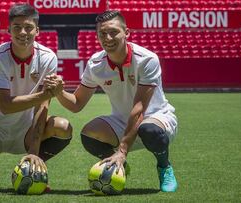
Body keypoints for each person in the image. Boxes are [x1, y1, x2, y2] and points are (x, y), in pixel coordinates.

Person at [45, 10, 178, 192]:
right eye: (102, 33)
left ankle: (164, 167)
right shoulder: (95, 64)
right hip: (122, 121)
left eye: (114, 32)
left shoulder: (147, 59)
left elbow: (139, 108)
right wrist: (59, 92)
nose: (107, 37)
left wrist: (122, 151)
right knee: (89, 134)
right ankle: (119, 166)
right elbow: (76, 104)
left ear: (127, 33)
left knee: (149, 130)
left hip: (156, 118)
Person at [0, 3, 72, 193]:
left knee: (63, 127)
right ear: (9, 29)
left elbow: (43, 106)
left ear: (37, 30)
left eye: (28, 27)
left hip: (26, 131)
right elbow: (5, 106)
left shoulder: (48, 57)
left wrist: (33, 151)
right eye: (17, 27)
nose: (23, 32)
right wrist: (44, 94)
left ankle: (35, 167)